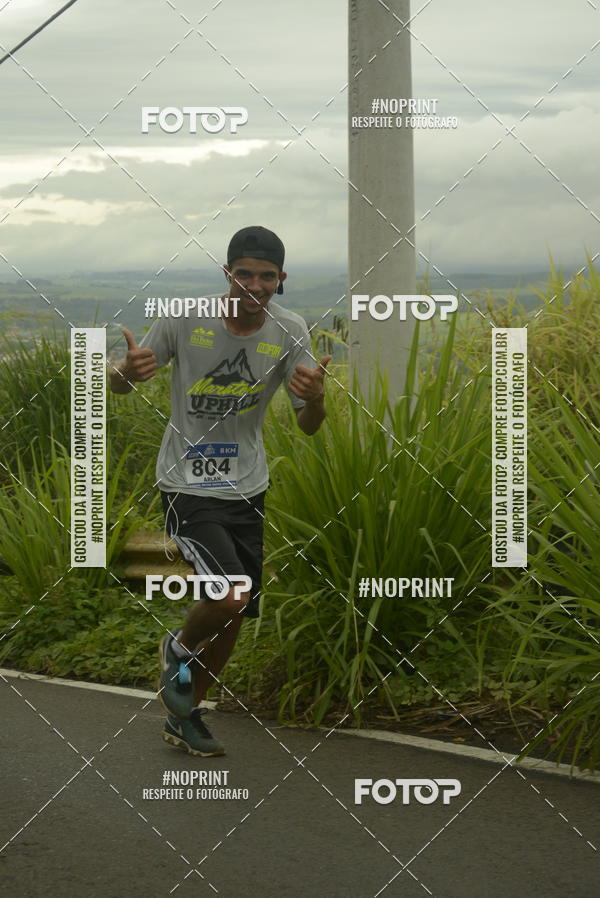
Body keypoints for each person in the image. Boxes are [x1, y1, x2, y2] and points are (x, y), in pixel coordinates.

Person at [109, 226, 331, 757]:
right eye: (246, 272)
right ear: (228, 273)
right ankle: (178, 647)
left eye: (268, 275)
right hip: (187, 483)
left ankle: (187, 714)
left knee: (236, 612)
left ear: (281, 280)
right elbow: (121, 380)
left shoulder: (290, 328)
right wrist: (124, 373)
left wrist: (317, 398)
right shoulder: (186, 318)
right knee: (227, 593)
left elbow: (308, 425)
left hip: (248, 486)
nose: (256, 284)